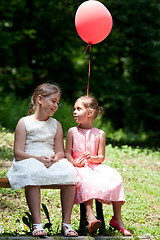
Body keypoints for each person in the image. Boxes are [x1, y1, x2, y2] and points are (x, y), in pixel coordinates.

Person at [7, 83, 78, 237]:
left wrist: (55, 158)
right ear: (40, 99)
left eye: (57, 102)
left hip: (49, 159)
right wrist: (37, 158)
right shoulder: (24, 122)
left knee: (70, 173)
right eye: (53, 101)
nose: (56, 105)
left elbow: (60, 151)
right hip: (28, 159)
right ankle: (37, 224)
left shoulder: (56, 125)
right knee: (32, 172)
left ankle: (66, 223)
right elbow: (18, 153)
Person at [65, 95, 131, 236]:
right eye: (74, 109)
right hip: (78, 167)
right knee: (86, 179)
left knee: (115, 177)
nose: (74, 112)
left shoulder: (100, 134)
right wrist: (75, 162)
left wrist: (92, 158)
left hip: (94, 166)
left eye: (78, 109)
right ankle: (90, 217)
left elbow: (101, 157)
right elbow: (67, 155)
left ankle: (117, 219)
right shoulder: (72, 132)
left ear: (90, 113)